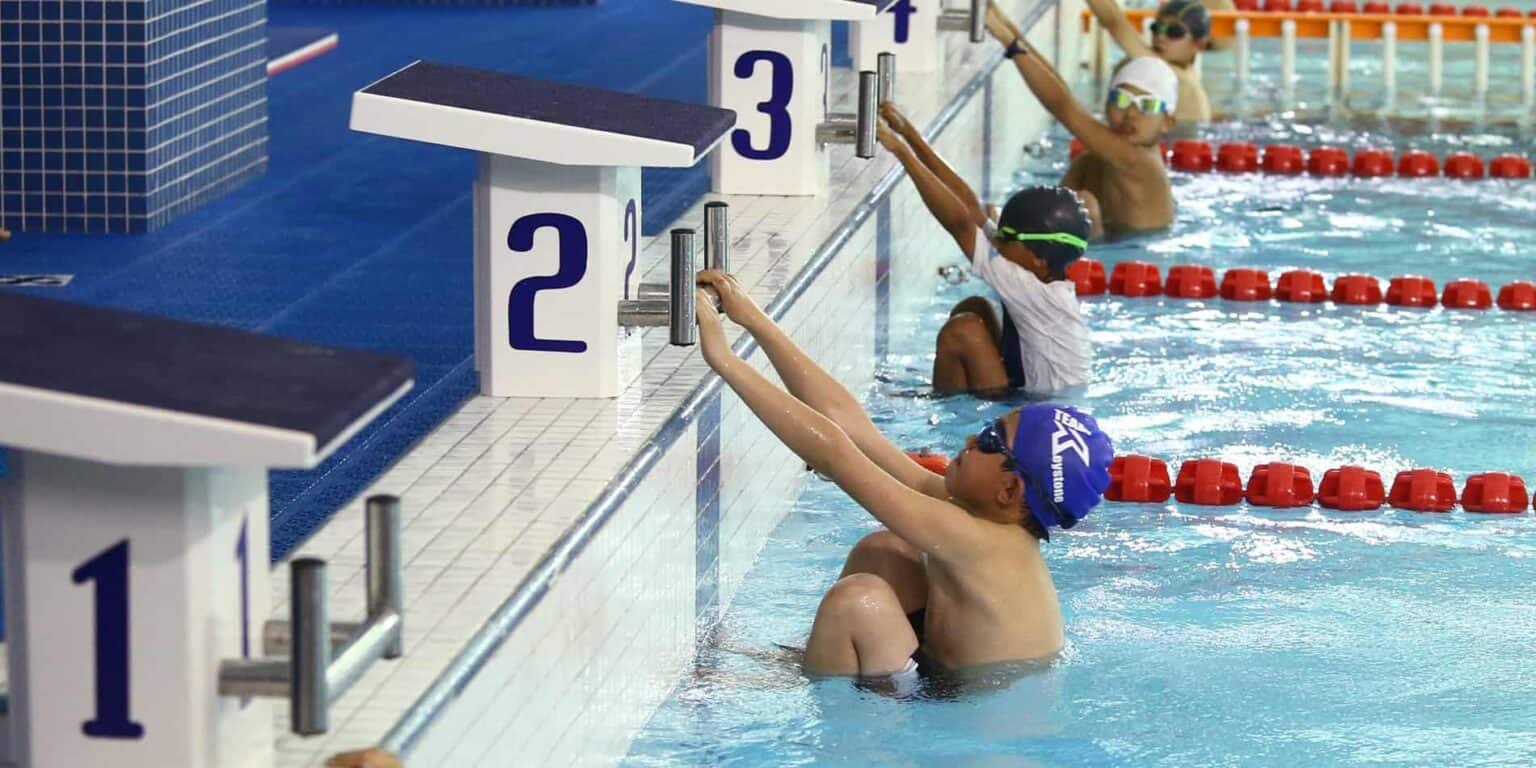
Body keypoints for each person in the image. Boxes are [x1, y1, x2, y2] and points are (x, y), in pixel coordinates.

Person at [693, 270, 1113, 683]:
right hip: (944, 666)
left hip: (954, 706)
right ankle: (820, 660)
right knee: (885, 550)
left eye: (990, 439)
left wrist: (724, 360)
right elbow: (853, 426)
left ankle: (827, 691)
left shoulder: (978, 540)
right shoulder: (984, 519)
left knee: (856, 601)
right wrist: (752, 319)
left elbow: (836, 453)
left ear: (1009, 489)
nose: (971, 438)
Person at [876, 103, 1092, 397]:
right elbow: (971, 209)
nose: (997, 239)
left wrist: (900, 152)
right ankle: (952, 393)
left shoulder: (1034, 289)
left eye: (1008, 235)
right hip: (1026, 387)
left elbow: (960, 224)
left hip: (1036, 407)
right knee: (975, 308)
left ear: (1039, 260)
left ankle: (953, 408)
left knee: (963, 331)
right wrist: (910, 135)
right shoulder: (1032, 265)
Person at [987, 1, 1177, 238]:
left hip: (1127, 251)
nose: (1131, 113)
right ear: (1106, 103)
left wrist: (1010, 43)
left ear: (1167, 123)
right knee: (1084, 170)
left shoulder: (1136, 159)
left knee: (1084, 204)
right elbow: (1061, 90)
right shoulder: (1104, 156)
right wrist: (1004, 24)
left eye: (1147, 106)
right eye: (1121, 99)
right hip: (1111, 237)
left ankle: (1020, 240)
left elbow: (1063, 107)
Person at [1084, 0, 1214, 123]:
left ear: (1200, 44)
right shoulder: (1152, 68)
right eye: (1157, 28)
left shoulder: (1180, 80)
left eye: (1174, 32)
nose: (1160, 37)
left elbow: (1115, 24)